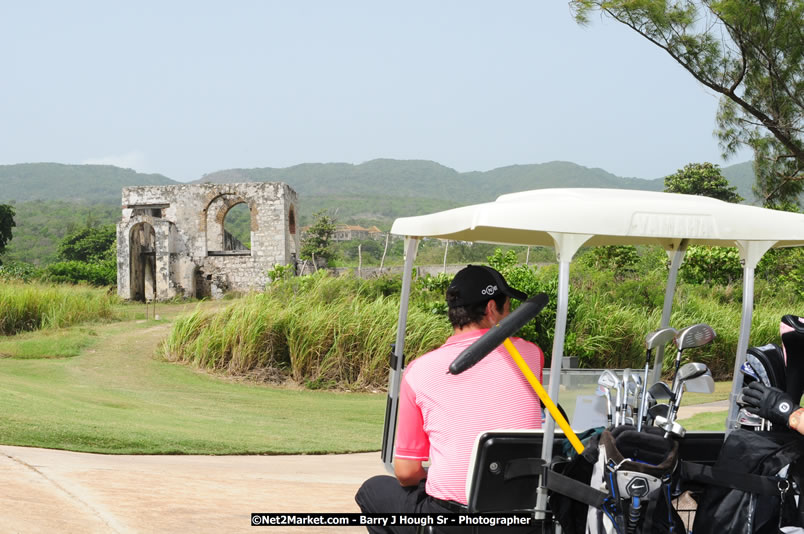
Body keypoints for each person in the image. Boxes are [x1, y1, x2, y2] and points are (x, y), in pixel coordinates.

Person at [355, 265, 544, 532]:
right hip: (521, 518)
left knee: (372, 491)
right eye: (508, 307)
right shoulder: (531, 355)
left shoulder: (419, 371)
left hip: (452, 521)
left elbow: (406, 472)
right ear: (491, 309)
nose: (511, 315)